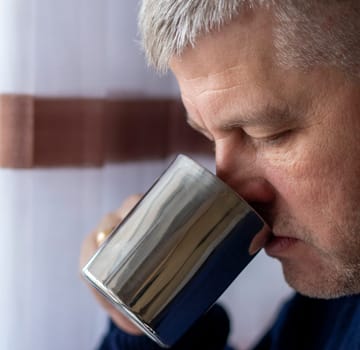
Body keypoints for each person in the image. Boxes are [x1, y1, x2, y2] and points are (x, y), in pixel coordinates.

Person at [80, 1, 360, 349]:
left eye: (267, 133)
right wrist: (147, 324)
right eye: (209, 140)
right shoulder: (326, 312)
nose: (230, 189)